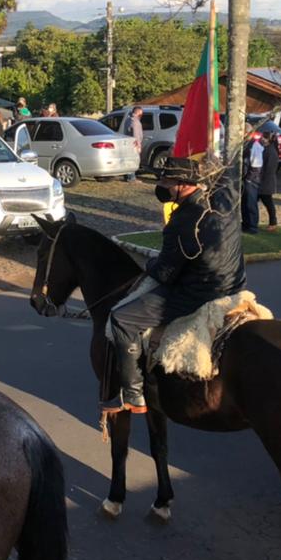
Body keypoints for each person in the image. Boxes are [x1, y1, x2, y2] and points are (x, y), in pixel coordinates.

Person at [106, 157, 246, 413]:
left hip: (198, 295)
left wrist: (149, 263)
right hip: (235, 285)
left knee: (121, 319)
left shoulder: (181, 222)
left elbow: (165, 274)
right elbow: (231, 177)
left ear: (183, 184)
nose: (161, 185)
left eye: (166, 180)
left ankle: (133, 393)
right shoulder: (225, 200)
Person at [243, 132, 265, 234]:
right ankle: (246, 223)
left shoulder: (255, 146)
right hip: (247, 178)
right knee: (245, 203)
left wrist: (249, 179)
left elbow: (256, 166)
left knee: (251, 203)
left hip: (252, 179)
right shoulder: (247, 145)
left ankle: (253, 226)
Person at [257, 130, 279, 232]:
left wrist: (260, 178)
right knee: (258, 202)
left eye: (264, 137)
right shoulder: (266, 149)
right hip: (263, 182)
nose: (261, 139)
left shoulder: (271, 152)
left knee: (268, 203)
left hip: (266, 182)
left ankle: (273, 223)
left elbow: (269, 169)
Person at [127, 105, 145, 182]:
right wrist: (138, 146)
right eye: (141, 113)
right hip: (134, 144)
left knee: (130, 160)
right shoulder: (135, 121)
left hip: (130, 143)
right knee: (133, 161)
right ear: (138, 112)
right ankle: (131, 178)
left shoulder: (129, 119)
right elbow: (136, 134)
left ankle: (128, 176)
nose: (142, 115)